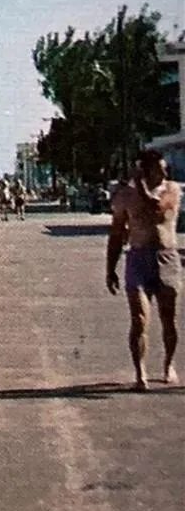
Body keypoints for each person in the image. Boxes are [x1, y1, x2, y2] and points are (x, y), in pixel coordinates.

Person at [106, 149, 180, 391]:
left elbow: (157, 208)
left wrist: (138, 184)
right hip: (138, 259)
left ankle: (168, 364)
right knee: (139, 319)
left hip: (167, 258)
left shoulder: (172, 190)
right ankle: (140, 372)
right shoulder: (125, 196)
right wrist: (110, 269)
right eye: (158, 169)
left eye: (164, 169)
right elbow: (116, 233)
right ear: (145, 170)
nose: (164, 173)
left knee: (168, 319)